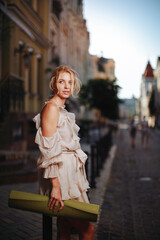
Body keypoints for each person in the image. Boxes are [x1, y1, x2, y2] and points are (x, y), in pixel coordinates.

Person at [33, 65, 95, 240]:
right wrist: (56, 186)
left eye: (70, 82)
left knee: (64, 227)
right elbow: (48, 150)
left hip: (69, 174)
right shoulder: (51, 108)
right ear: (54, 84)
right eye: (62, 81)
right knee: (87, 230)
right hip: (61, 177)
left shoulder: (63, 111)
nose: (67, 86)